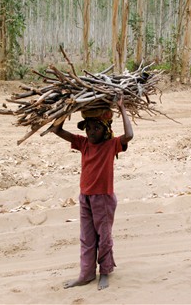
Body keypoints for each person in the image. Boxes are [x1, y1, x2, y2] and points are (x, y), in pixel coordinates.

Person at [51, 95, 133, 291]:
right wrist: (67, 109)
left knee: (103, 236)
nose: (91, 132)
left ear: (105, 130)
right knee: (87, 238)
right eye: (88, 128)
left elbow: (129, 135)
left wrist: (122, 109)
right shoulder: (83, 143)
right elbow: (57, 129)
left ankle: (104, 272)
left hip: (103, 198)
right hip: (85, 197)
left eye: (96, 128)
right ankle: (86, 274)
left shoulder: (110, 145)